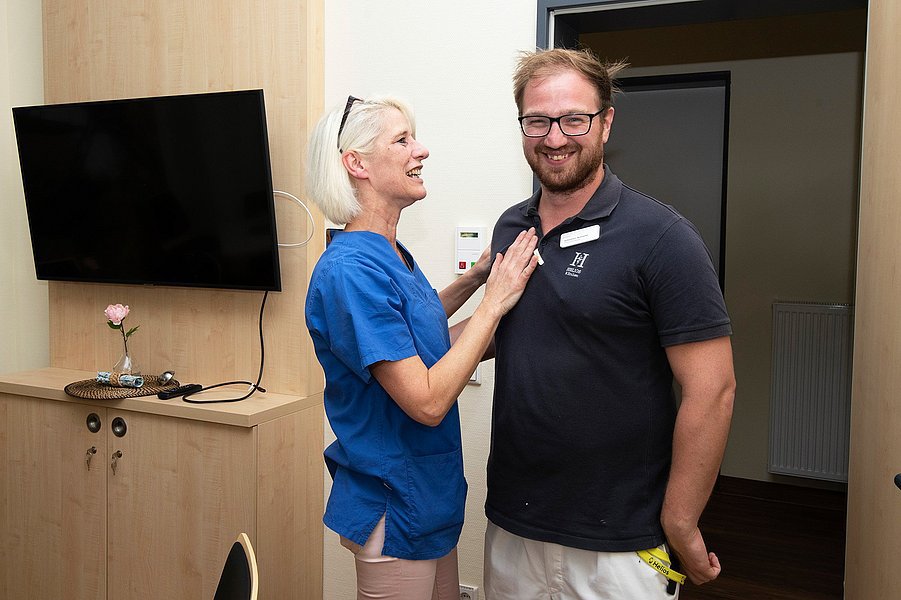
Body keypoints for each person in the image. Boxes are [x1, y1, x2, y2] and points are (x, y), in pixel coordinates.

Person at [483, 48, 736, 599]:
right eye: (538, 120)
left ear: (606, 122)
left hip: (622, 544)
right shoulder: (510, 229)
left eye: (574, 118)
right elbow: (503, 336)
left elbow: (712, 389)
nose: (555, 137)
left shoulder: (662, 238)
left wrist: (681, 523)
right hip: (514, 527)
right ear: (521, 124)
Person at [304, 95, 539, 600]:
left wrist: (478, 281)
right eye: (403, 140)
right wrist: (493, 304)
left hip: (427, 495)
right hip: (396, 501)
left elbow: (425, 343)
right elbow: (427, 399)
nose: (422, 150)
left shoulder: (390, 253)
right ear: (357, 164)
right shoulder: (351, 271)